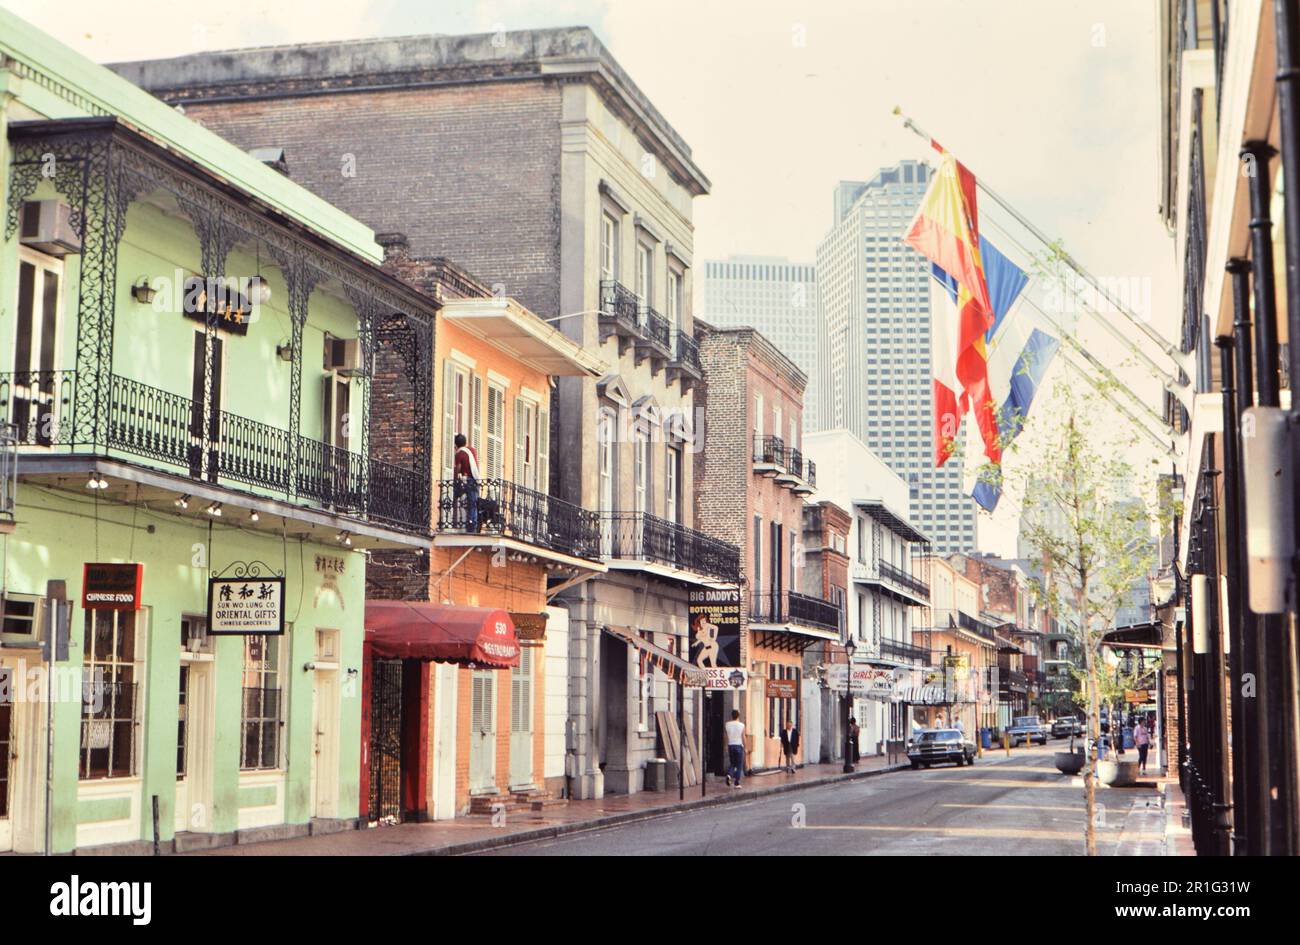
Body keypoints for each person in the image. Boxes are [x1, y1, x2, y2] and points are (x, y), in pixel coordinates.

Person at [452, 433, 480, 532]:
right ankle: (473, 524)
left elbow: (458, 468)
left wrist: (455, 475)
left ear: (456, 445)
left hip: (467, 479)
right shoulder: (472, 450)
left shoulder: (459, 454)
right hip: (476, 479)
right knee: (474, 503)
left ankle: (468, 524)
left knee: (459, 498)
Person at [725, 710, 745, 787]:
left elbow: (726, 736)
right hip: (738, 745)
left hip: (730, 745)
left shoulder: (727, 724)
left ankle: (729, 774)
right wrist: (745, 747)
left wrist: (725, 746)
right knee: (739, 764)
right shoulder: (742, 725)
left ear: (732, 716)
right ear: (738, 716)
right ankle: (737, 782)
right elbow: (743, 737)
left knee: (733, 763)